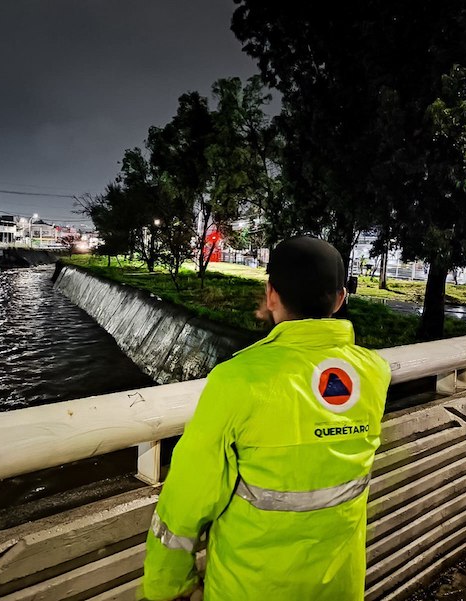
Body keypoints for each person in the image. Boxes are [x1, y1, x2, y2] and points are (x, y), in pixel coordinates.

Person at [140, 236, 391, 601]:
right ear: (339, 299)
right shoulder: (373, 373)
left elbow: (186, 500)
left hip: (249, 589)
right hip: (340, 587)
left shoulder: (238, 379)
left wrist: (166, 587)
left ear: (271, 293)